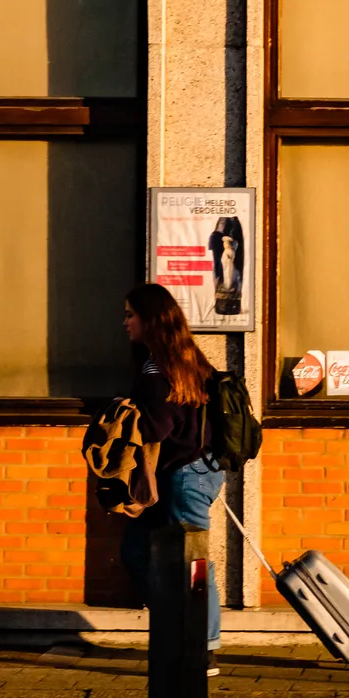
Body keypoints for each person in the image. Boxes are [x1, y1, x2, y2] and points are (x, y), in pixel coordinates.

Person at [118, 282, 224, 667]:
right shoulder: (189, 358)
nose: (125, 322)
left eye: (131, 314)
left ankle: (202, 648)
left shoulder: (152, 367)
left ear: (150, 319)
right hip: (199, 470)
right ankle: (179, 631)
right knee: (138, 551)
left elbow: (158, 427)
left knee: (191, 562)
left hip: (184, 475)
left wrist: (124, 413)